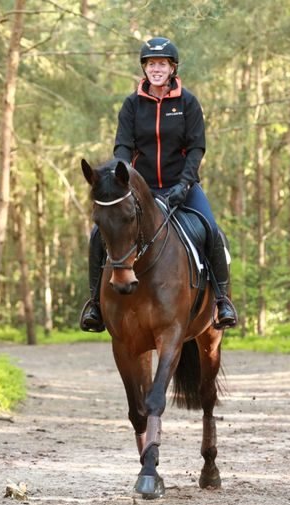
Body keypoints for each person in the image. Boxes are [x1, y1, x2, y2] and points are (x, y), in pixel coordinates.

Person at [80, 36, 237, 332]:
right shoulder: (131, 105)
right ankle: (94, 305)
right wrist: (122, 178)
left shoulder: (188, 103)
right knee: (96, 234)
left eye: (162, 64)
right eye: (151, 64)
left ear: (172, 68)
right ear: (144, 68)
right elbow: (123, 148)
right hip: (142, 190)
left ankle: (222, 301)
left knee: (211, 229)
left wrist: (185, 184)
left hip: (183, 187)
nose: (156, 69)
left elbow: (196, 148)